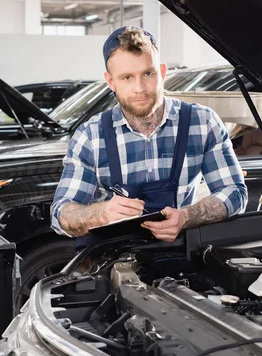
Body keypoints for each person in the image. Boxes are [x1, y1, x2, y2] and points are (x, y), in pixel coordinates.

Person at [50, 26, 247, 251]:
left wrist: (186, 216)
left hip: (179, 258)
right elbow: (60, 215)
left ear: (162, 72)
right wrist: (100, 213)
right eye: (126, 77)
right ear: (110, 82)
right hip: (109, 262)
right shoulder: (91, 136)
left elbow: (235, 193)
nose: (140, 88)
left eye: (148, 73)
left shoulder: (202, 123)